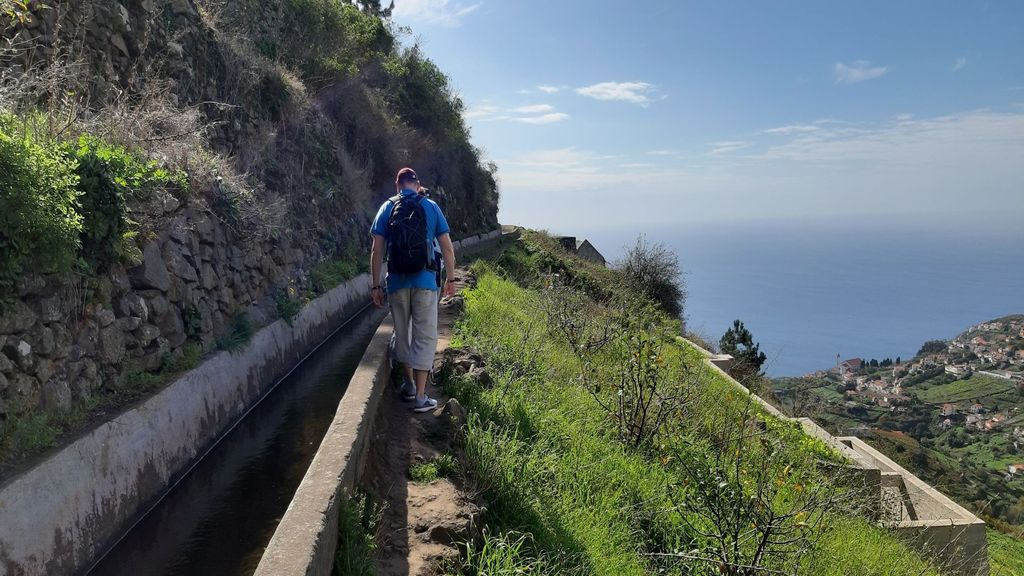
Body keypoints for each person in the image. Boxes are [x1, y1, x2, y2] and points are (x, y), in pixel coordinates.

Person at [370, 167, 456, 412]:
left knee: (402, 333)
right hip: (426, 282)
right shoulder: (430, 206)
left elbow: (377, 251)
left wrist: (375, 285)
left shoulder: (387, 207)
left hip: (396, 282)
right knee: (425, 335)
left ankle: (408, 384)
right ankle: (420, 396)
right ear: (417, 185)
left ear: (398, 186)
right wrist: (450, 279)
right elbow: (447, 249)